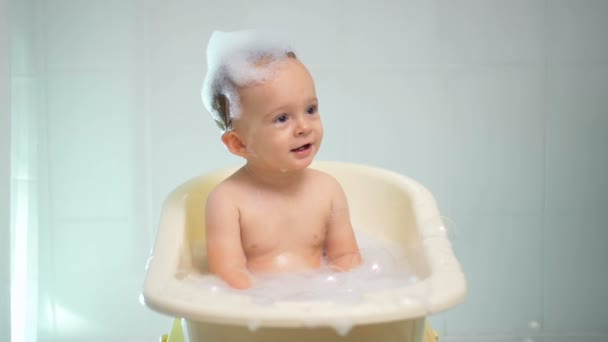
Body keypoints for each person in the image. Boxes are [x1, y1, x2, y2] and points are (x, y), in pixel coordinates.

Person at [202, 31, 362, 289]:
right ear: (239, 143)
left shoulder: (327, 190)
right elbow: (228, 273)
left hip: (320, 306)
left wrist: (338, 296)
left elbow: (346, 256)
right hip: (258, 316)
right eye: (282, 118)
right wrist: (265, 309)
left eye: (310, 110)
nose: (303, 127)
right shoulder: (227, 201)